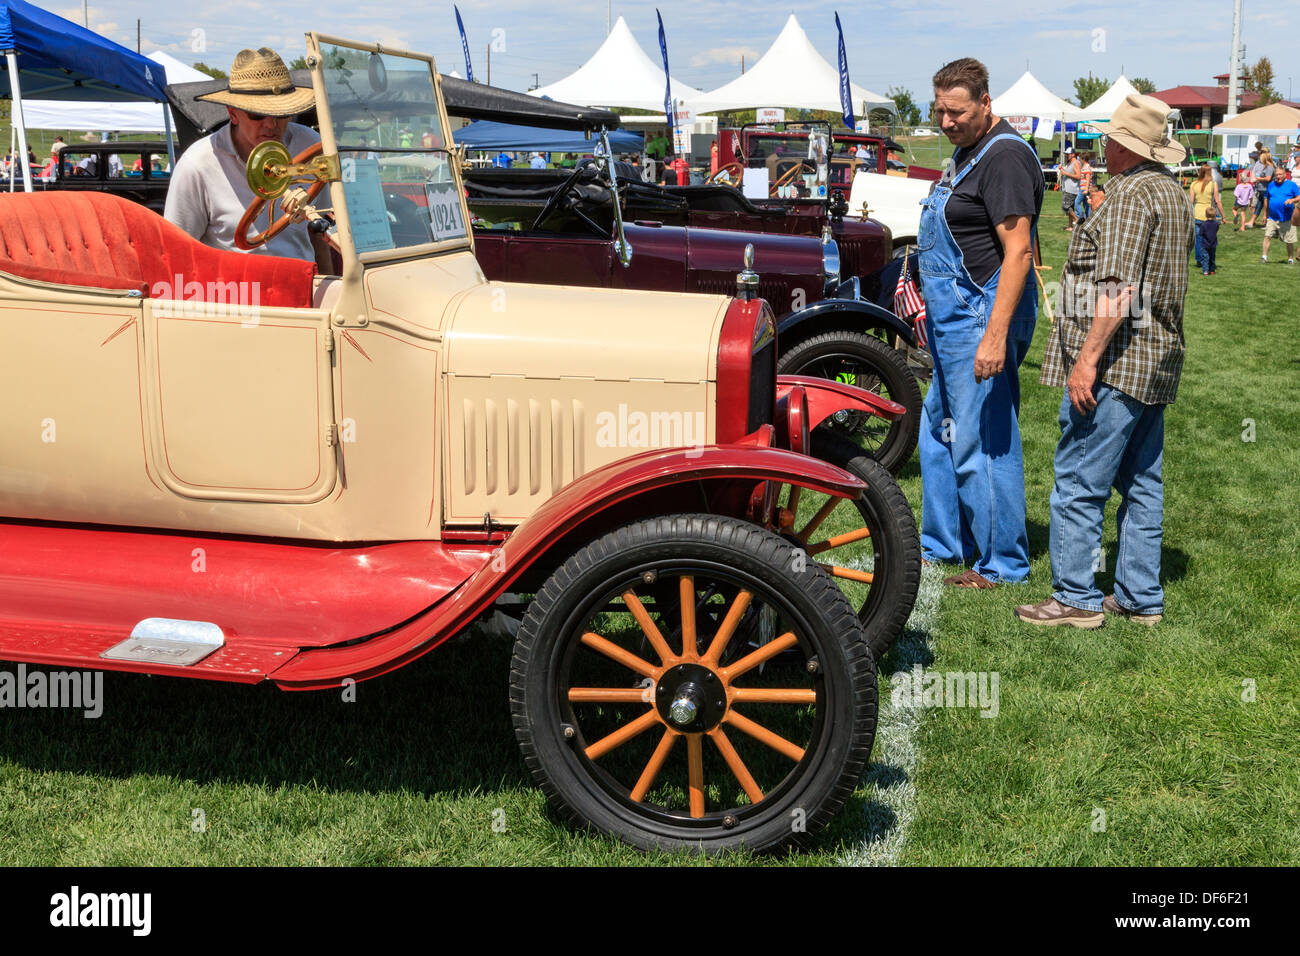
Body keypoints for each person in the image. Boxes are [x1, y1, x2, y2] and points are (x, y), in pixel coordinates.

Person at [1016, 94, 1193, 628]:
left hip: (1119, 360)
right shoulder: (1170, 190)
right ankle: (1139, 596)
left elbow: (1117, 290)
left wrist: (1087, 360)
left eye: (1108, 138)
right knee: (1142, 481)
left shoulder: (1130, 195)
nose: (1102, 146)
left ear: (1122, 145)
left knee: (1078, 478)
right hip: (1156, 356)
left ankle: (1074, 596)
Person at [918, 57, 1044, 589]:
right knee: (937, 432)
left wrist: (994, 336)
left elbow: (1019, 253)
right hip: (955, 321)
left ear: (986, 104)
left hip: (979, 318)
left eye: (957, 112)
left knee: (983, 440)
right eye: (939, 111)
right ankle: (945, 543)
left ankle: (1003, 563)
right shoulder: (968, 152)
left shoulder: (1006, 156)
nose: (947, 123)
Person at [164, 47, 329, 268]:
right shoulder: (198, 164)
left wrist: (332, 284)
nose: (271, 125)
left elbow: (321, 229)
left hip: (304, 288)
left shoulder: (310, 145)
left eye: (281, 113)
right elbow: (177, 252)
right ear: (232, 113)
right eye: (257, 115)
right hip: (236, 295)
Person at [1189, 163, 1223, 275]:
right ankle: (1208, 260)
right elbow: (1217, 201)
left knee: (1199, 239)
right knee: (1210, 238)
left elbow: (1191, 201)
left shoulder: (1194, 184)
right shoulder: (1213, 184)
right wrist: (1223, 215)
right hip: (1209, 213)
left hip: (1197, 213)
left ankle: (1199, 259)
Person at [1261, 165, 1300, 263]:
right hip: (1272, 217)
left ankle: (1290, 258)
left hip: (1287, 218)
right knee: (1267, 236)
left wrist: (1292, 200)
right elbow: (1266, 199)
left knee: (1289, 241)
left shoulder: (1291, 185)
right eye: (1276, 174)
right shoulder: (1271, 185)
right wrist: (1265, 215)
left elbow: (1299, 197)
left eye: (1280, 174)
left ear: (1285, 174)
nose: (1278, 176)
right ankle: (1264, 257)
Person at [1250, 149, 1275, 227]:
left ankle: (1267, 223)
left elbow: (1268, 178)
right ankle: (1252, 221)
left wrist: (1257, 179)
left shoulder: (1270, 167)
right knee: (1259, 205)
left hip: (1267, 189)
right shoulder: (1265, 166)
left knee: (1266, 207)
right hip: (1262, 189)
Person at [1059, 147, 1081, 230]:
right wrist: (1062, 169)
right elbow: (1067, 172)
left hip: (1072, 189)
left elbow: (1078, 176)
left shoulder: (1076, 163)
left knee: (1066, 207)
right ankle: (1070, 226)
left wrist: (1065, 173)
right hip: (1068, 189)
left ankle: (1077, 220)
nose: (1066, 156)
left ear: (1073, 154)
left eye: (1068, 154)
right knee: (1070, 207)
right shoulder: (1070, 163)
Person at [1075, 150, 1094, 224]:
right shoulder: (1084, 167)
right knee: (1086, 205)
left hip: (1084, 189)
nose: (1079, 160)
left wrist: (1086, 190)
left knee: (1077, 202)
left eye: (1080, 159)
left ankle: (1081, 216)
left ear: (1083, 159)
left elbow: (1088, 180)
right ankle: (1089, 220)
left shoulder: (1087, 168)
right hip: (1083, 188)